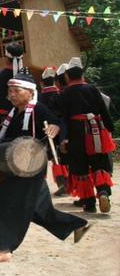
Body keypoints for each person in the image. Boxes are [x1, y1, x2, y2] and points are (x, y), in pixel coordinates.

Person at [0, 71, 90, 266]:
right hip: (18, 167)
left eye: (16, 91)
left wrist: (56, 128)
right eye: (10, 91)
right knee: (39, 210)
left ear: (30, 92)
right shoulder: (14, 113)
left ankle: (3, 250)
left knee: (1, 200)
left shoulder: (38, 109)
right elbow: (8, 138)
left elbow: (57, 122)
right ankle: (77, 226)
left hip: (30, 168)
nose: (11, 95)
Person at [59, 57, 115, 214]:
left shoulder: (65, 93)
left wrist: (63, 138)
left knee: (80, 169)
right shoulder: (92, 89)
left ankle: (89, 203)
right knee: (100, 164)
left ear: (68, 76)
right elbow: (104, 111)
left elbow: (62, 118)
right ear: (82, 74)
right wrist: (110, 128)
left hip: (75, 134)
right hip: (95, 131)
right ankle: (103, 192)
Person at [38, 67, 69, 196]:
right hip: (61, 129)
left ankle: (58, 184)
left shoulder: (38, 97)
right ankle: (65, 183)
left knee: (47, 157)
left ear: (42, 82)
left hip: (45, 130)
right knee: (61, 156)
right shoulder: (60, 94)